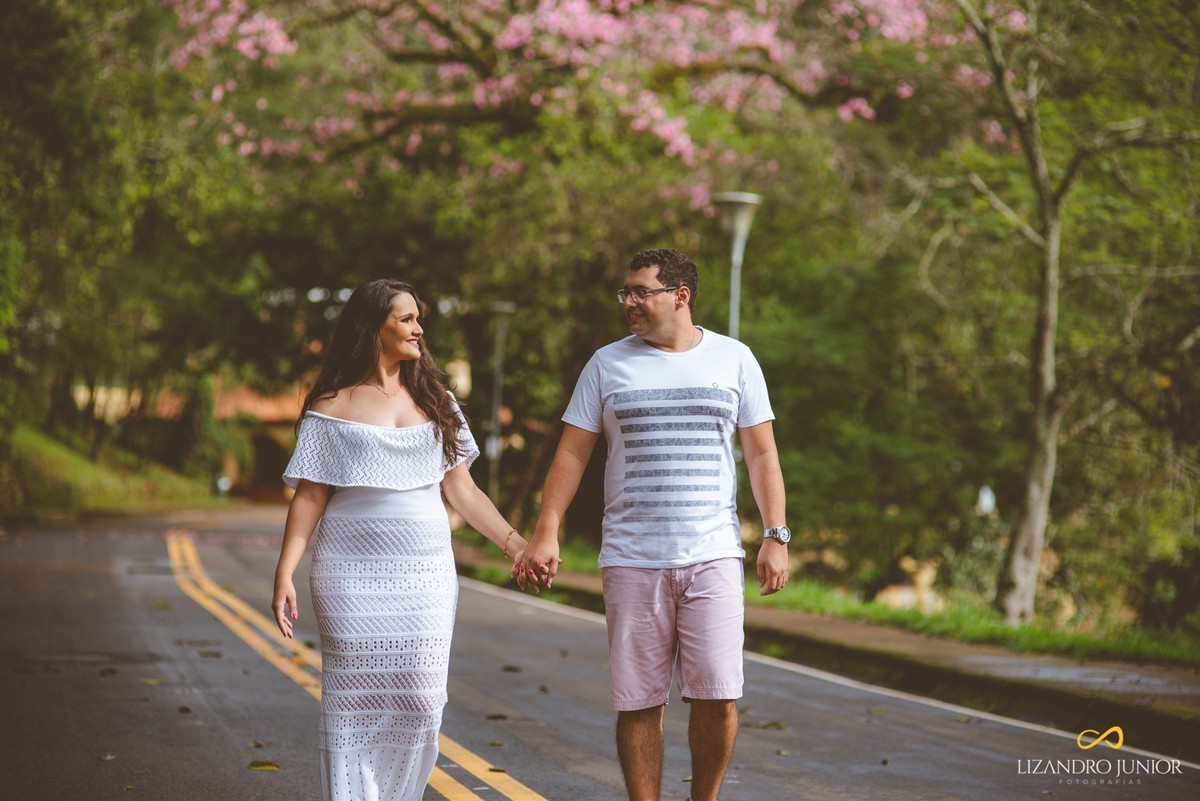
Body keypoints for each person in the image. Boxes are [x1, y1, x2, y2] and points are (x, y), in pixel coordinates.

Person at [519, 248, 791, 801]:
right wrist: (546, 530)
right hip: (631, 556)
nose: (629, 303)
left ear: (680, 295)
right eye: (626, 293)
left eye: (641, 292)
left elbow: (762, 455)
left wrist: (775, 534)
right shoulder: (606, 363)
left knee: (718, 695)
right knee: (639, 700)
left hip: (713, 553)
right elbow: (571, 454)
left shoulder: (734, 359)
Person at [271, 278, 534, 801]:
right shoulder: (331, 404)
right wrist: (284, 572)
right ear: (375, 327)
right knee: (356, 697)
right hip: (349, 573)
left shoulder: (437, 401)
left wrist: (516, 545)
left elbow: (463, 490)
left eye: (418, 318)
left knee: (420, 695)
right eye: (407, 318)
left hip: (426, 575)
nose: (419, 328)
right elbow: (310, 497)